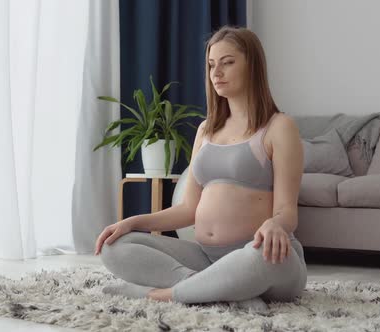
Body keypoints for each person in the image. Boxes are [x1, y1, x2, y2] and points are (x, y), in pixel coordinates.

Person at [94, 26, 306, 308]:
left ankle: (163, 294)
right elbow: (188, 209)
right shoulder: (206, 130)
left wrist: (275, 224)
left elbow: (287, 211)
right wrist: (131, 222)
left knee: (258, 258)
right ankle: (221, 290)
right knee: (114, 246)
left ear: (252, 66)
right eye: (211, 65)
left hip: (264, 256)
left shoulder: (279, 127)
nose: (216, 72)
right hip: (205, 258)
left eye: (228, 62)